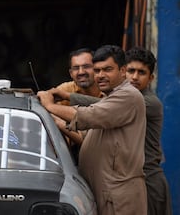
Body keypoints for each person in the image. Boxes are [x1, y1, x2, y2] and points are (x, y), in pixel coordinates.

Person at [37, 44, 147, 215]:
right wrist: (57, 121)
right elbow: (86, 137)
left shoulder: (128, 96)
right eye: (97, 71)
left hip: (117, 197)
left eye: (107, 69)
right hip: (104, 192)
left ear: (123, 70)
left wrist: (49, 105)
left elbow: (86, 116)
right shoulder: (109, 96)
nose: (100, 76)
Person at [125, 47, 173, 215]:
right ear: (124, 72)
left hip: (149, 184)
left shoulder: (149, 102)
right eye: (131, 71)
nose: (135, 77)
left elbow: (103, 109)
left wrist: (67, 99)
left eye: (141, 72)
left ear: (151, 78)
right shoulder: (123, 97)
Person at [49, 48, 103, 154]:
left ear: (97, 69)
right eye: (76, 68)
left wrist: (59, 122)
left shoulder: (109, 90)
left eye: (87, 67)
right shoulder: (64, 90)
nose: (81, 72)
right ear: (71, 73)